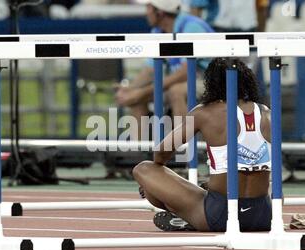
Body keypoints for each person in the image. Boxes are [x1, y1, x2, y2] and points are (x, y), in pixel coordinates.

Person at [133, 58, 272, 232]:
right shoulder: (267, 113)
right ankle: (191, 213)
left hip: (220, 215)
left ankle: (186, 216)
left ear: (211, 83)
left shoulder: (204, 113)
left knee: (145, 170)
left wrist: (159, 186)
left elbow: (160, 153)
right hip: (265, 215)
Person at [115, 0, 213, 137]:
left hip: (212, 82)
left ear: (160, 12)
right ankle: (139, 153)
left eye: (148, 7)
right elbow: (150, 70)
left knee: (176, 91)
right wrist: (130, 90)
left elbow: (185, 73)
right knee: (136, 98)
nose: (146, 12)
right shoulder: (157, 31)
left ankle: (187, 151)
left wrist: (142, 92)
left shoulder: (192, 27)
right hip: (186, 81)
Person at [188, 0, 268, 33]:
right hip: (218, 30)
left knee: (248, 68)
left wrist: (261, 37)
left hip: (249, 31)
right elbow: (196, 7)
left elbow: (261, 8)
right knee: (218, 67)